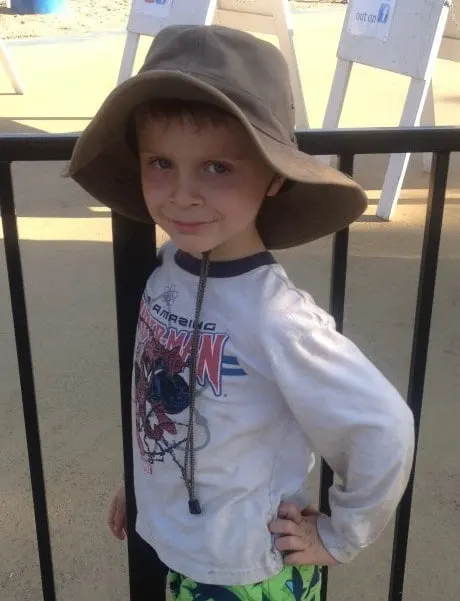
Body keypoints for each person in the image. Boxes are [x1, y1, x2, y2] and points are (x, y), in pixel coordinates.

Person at [68, 24, 414, 601]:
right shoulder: (167, 269)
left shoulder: (277, 317)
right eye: (161, 162)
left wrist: (340, 535)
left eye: (218, 168)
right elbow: (164, 405)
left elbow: (384, 427)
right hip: (186, 549)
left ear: (274, 176)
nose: (182, 193)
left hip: (249, 570)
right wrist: (147, 484)